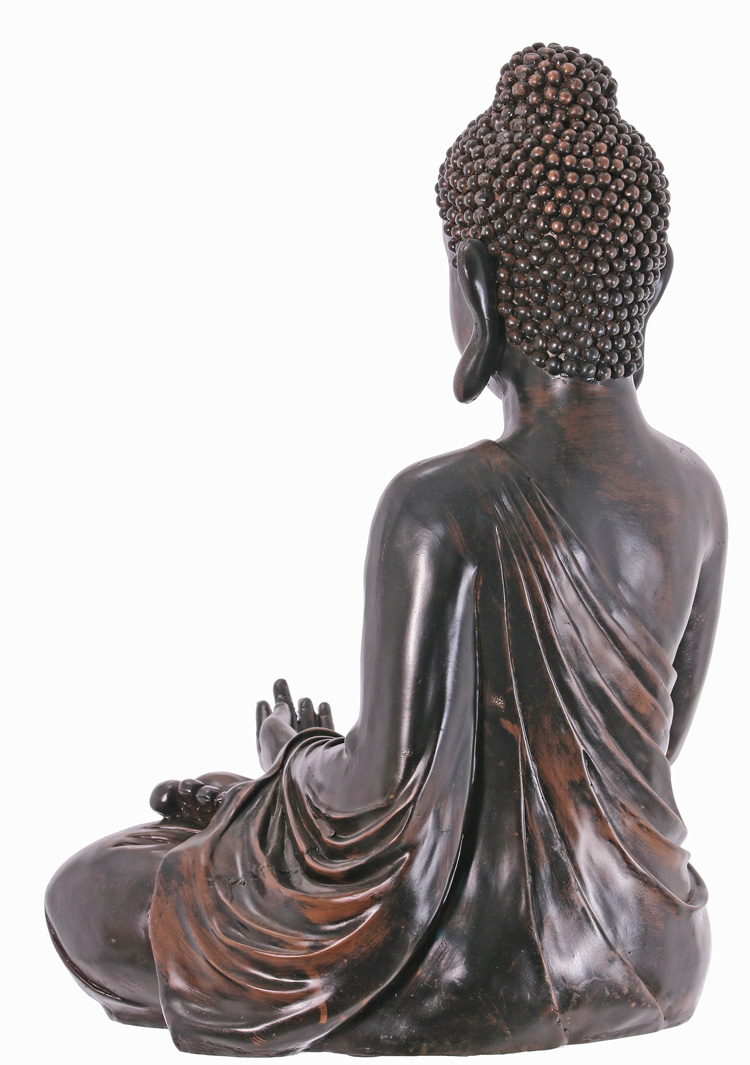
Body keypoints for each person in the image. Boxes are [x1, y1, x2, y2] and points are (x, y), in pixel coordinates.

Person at [45, 42, 726, 1056]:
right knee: (209, 840)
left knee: (87, 893)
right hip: (656, 950)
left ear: (476, 286)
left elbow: (384, 810)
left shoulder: (437, 507)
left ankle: (250, 824)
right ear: (656, 284)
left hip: (476, 967)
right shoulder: (696, 497)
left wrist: (290, 769)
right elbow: (646, 762)